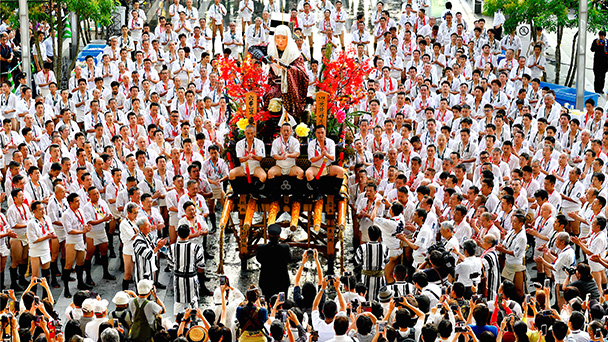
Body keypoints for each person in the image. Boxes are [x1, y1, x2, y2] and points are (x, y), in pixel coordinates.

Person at [264, 25, 309, 121]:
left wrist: (287, 69)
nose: (280, 41)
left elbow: (303, 74)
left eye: (283, 38)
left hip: (292, 87)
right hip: (275, 85)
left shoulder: (295, 55)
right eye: (278, 37)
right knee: (272, 102)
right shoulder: (271, 51)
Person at [168, 224, 206, 315]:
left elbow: (170, 264)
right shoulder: (196, 247)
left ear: (177, 234)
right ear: (189, 234)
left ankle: (177, 325)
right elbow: (201, 264)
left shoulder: (172, 247)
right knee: (193, 300)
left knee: (178, 302)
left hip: (178, 278)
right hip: (191, 277)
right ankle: (193, 324)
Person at [256, 223, 291, 298]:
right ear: (279, 237)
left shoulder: (261, 248)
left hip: (266, 281)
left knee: (268, 302)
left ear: (268, 236)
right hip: (282, 282)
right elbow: (289, 259)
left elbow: (259, 259)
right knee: (281, 303)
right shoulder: (285, 248)